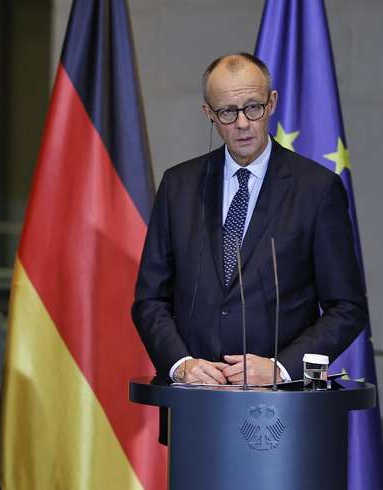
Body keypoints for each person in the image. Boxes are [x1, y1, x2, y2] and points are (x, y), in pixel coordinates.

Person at [132, 53, 367, 386]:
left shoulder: (316, 188)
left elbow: (347, 307)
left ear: (272, 103)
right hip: (194, 396)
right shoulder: (178, 186)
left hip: (281, 401)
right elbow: (150, 299)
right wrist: (181, 364)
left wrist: (281, 368)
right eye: (228, 112)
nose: (242, 123)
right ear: (209, 113)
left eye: (253, 107)